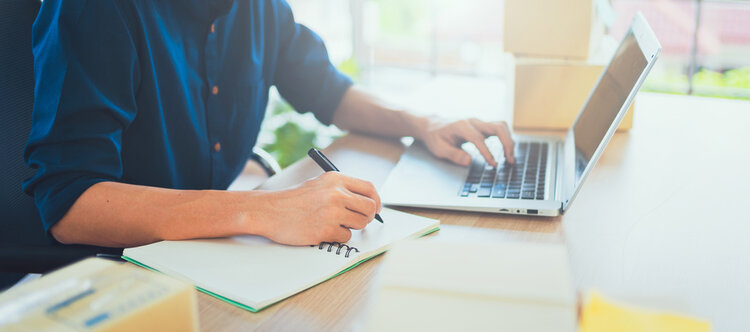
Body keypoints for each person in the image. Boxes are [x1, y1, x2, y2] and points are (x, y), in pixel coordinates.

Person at [24, 0, 514, 249]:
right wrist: (262, 212)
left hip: (208, 242)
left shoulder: (259, 7)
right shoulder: (95, 10)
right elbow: (70, 205)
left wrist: (420, 122)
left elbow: (327, 90)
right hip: (123, 268)